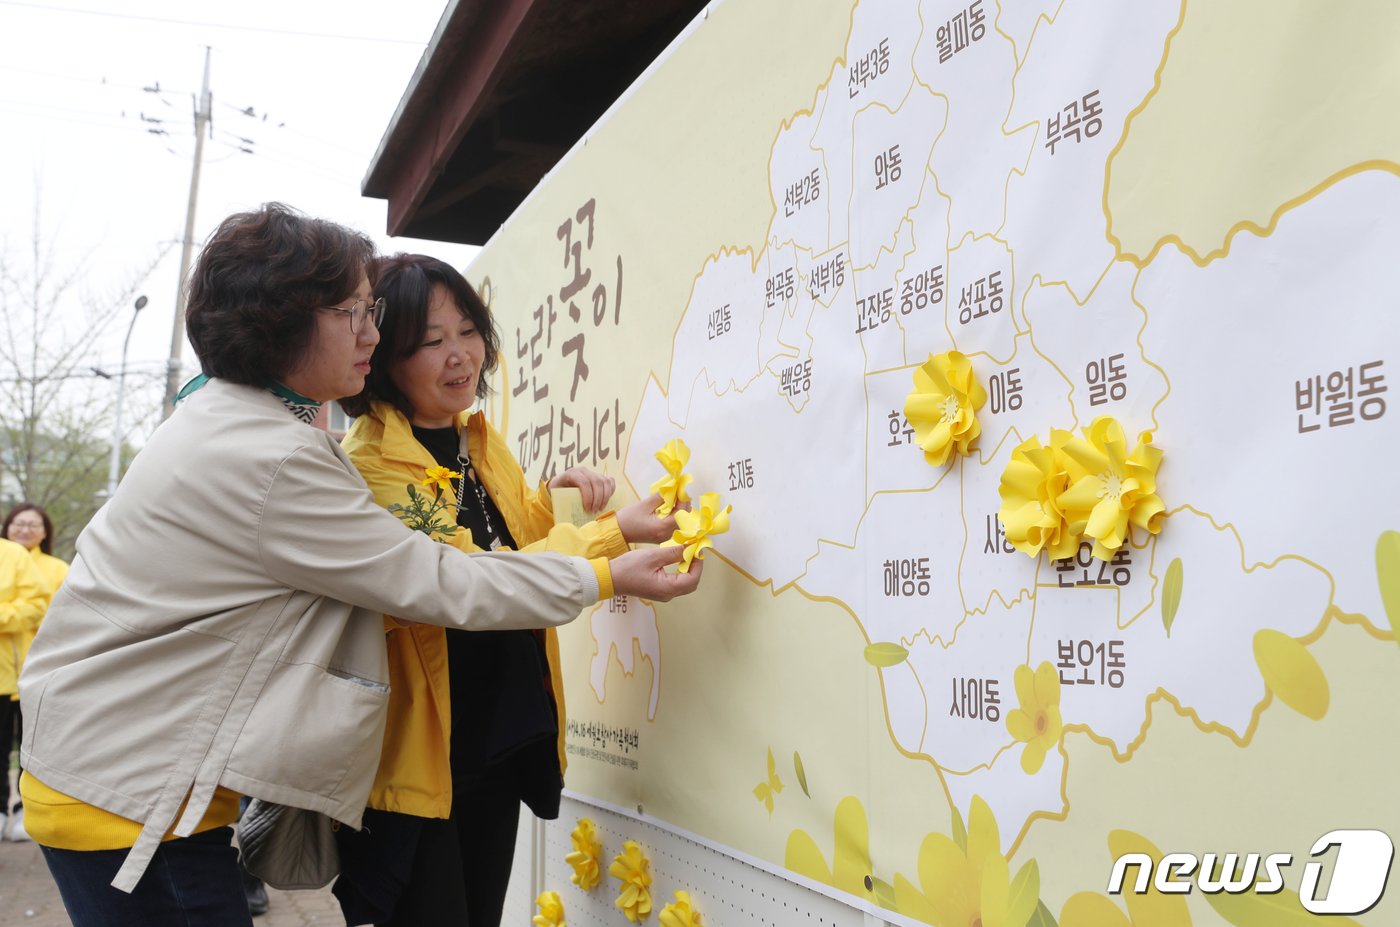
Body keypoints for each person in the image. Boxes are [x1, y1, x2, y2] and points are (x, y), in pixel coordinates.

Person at [17, 203, 702, 927]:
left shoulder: (233, 418)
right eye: (354, 311)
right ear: (283, 320)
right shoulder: (279, 459)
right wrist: (606, 568)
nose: (372, 332)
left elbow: (499, 544)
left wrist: (587, 527)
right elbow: (441, 579)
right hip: (132, 796)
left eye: (374, 311)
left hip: (119, 769)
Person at [332, 254, 678, 926]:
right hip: (415, 768)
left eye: (468, 330)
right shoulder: (370, 466)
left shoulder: (476, 441)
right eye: (432, 341)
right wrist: (609, 546)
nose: (460, 354)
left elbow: (515, 538)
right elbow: (466, 578)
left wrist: (565, 504)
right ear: (383, 358)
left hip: (493, 740)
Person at [1, 503, 67, 843]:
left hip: (41, 670)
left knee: (34, 744)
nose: (25, 529)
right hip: (4, 671)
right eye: (18, 523)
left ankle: (27, 810)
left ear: (45, 532)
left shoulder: (57, 569)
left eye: (33, 524)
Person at [0, 524, 47, 845]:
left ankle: (12, 810)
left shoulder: (12, 554)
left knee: (9, 749)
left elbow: (36, 604)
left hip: (8, 675)